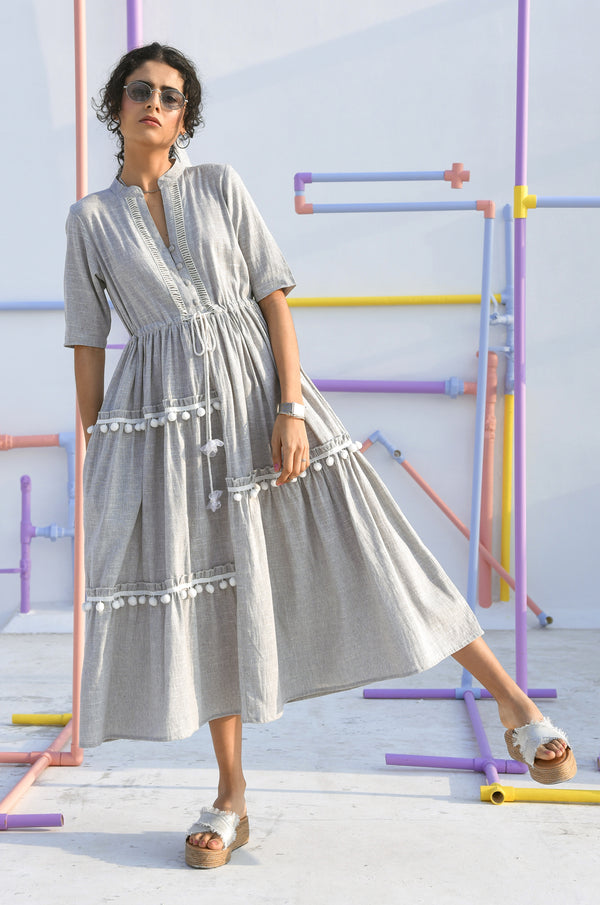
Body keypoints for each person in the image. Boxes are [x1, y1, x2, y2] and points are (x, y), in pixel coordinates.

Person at [64, 42, 576, 870]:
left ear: (184, 115)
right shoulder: (90, 219)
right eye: (138, 90)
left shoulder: (221, 186)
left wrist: (292, 405)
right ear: (115, 108)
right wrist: (103, 447)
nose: (153, 103)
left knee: (373, 545)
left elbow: (272, 296)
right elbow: (88, 341)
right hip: (165, 426)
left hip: (266, 399)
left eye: (170, 94)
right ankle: (231, 797)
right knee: (209, 597)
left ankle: (515, 707)